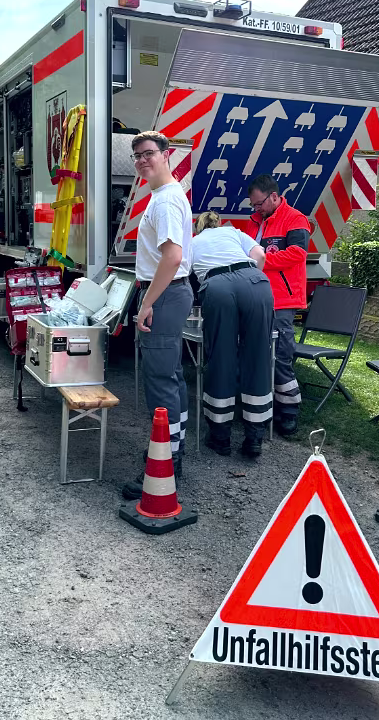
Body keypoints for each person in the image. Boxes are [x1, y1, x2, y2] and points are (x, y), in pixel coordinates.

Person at [122, 131, 193, 500]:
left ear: (166, 154)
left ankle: (166, 462)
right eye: (137, 156)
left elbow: (173, 257)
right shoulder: (166, 195)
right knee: (172, 376)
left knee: (161, 380)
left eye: (148, 153)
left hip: (164, 294)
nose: (142, 161)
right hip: (170, 292)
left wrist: (147, 302)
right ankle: (172, 450)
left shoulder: (165, 201)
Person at [191, 212, 274, 458]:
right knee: (258, 357)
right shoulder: (234, 232)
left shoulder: (193, 242)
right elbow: (260, 256)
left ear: (198, 228)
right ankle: (254, 438)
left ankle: (220, 437)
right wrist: (249, 281)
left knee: (221, 357)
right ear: (218, 223)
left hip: (218, 287)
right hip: (255, 281)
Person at [246, 174, 311, 436]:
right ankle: (264, 407)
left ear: (274, 196)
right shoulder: (254, 222)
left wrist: (260, 261)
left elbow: (297, 254)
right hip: (258, 297)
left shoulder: (295, 219)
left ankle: (289, 411)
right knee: (259, 355)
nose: (256, 209)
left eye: (259, 203)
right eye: (253, 205)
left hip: (282, 300)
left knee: (281, 356)